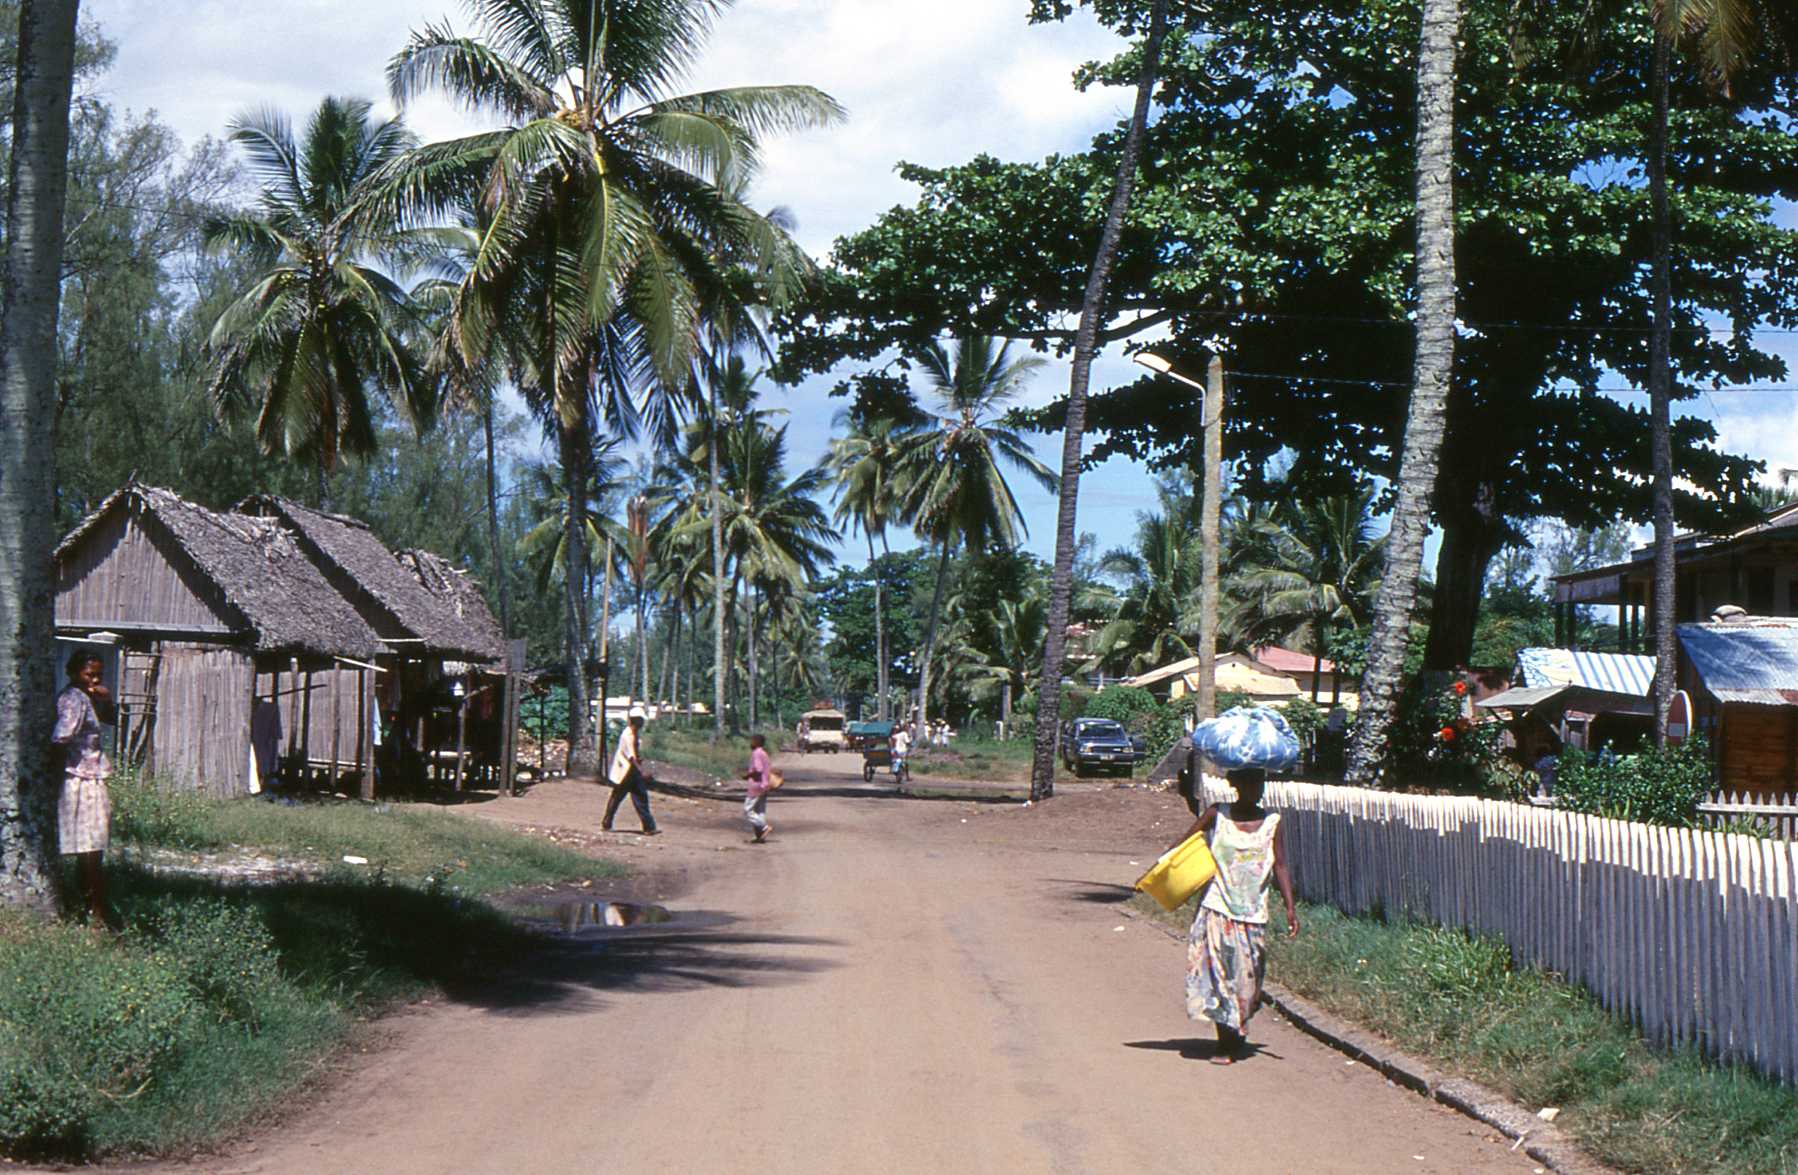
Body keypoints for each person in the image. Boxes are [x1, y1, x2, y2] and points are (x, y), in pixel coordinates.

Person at [1163, 766, 1298, 1064]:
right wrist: (1159, 870)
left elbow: (1281, 866)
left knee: (1248, 981)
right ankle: (1226, 1042)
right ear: (1236, 785)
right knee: (1219, 978)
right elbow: (1184, 843)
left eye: (1260, 783)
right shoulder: (1217, 814)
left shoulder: (1272, 822)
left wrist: (1290, 907)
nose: (1257, 789)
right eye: (1250, 783)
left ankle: (1238, 1026)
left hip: (1252, 913)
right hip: (1216, 907)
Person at [52, 650, 119, 928]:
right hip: (79, 778)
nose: (93, 680)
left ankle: (91, 908)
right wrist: (52, 777)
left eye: (98, 675)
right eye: (88, 674)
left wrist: (104, 697)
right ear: (73, 673)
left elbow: (111, 718)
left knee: (92, 849)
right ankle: (96, 912)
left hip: (91, 775)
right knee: (90, 849)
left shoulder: (88, 697)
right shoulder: (73, 699)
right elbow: (61, 739)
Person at [601, 708, 658, 834]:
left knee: (636, 797)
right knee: (621, 797)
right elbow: (631, 757)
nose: (642, 723)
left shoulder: (634, 734)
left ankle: (648, 826)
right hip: (627, 772)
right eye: (641, 720)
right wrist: (642, 771)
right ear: (636, 720)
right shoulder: (627, 735)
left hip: (631, 771)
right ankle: (648, 827)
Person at [742, 733, 775, 843]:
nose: (750, 743)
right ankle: (760, 835)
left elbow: (758, 769)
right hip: (765, 785)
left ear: (757, 742)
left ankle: (764, 827)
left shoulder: (756, 754)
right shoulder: (764, 753)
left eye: (752, 740)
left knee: (747, 810)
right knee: (759, 811)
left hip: (756, 785)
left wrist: (748, 775)